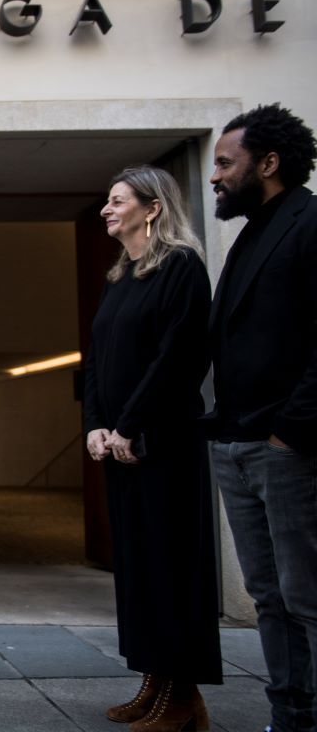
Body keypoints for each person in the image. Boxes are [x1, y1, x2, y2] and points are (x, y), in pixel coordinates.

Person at [83, 166, 222, 732]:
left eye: (118, 201)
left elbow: (179, 361)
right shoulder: (121, 276)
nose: (106, 210)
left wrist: (131, 426)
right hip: (120, 447)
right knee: (138, 571)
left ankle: (184, 698)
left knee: (171, 570)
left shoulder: (182, 268)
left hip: (161, 446)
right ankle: (155, 681)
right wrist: (96, 425)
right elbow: (95, 360)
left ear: (152, 208)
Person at [205, 104, 317, 732]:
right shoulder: (249, 232)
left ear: (268, 163)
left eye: (226, 162)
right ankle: (290, 715)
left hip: (285, 447)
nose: (216, 176)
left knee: (306, 597)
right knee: (269, 597)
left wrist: (288, 432)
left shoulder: (308, 223)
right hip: (237, 441)